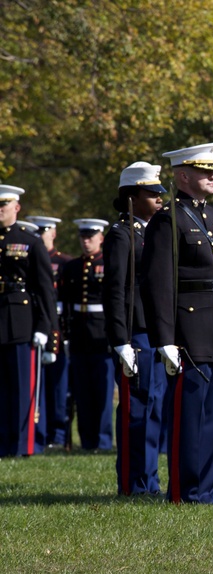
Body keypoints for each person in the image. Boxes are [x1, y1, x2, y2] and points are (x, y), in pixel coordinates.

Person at [141, 142, 213, 504]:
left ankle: (206, 491)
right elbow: (157, 283)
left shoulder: (211, 215)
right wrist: (164, 338)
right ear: (183, 176)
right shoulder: (168, 219)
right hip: (189, 329)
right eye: (204, 171)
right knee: (190, 414)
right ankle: (184, 492)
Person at [103, 163, 169, 493]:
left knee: (154, 407)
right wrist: (120, 340)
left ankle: (149, 479)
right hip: (135, 332)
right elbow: (115, 290)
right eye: (151, 193)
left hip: (153, 330)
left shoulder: (150, 231)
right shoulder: (121, 235)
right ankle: (134, 483)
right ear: (132, 197)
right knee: (137, 408)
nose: (159, 198)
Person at [0, 184, 57, 457]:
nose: (0, 209)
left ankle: (23, 445)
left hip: (22, 321)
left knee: (22, 388)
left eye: (4, 204)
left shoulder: (30, 240)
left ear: (17, 207)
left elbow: (45, 288)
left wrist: (45, 328)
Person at [62, 218, 114, 451]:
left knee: (102, 393)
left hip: (101, 336)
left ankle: (102, 441)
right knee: (81, 392)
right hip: (79, 335)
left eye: (90, 237)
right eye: (83, 237)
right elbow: (66, 300)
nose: (86, 242)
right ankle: (86, 440)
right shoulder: (71, 266)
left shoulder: (109, 264)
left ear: (100, 239)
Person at [28, 216, 73, 450]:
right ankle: (38, 433)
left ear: (53, 234)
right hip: (34, 324)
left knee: (58, 386)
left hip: (57, 327)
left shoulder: (65, 263)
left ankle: (57, 435)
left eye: (44, 231)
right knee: (36, 384)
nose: (40, 235)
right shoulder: (27, 259)